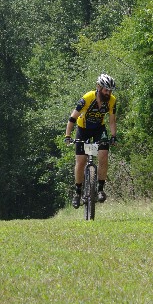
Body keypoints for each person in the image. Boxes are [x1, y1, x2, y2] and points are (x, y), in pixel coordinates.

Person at [64, 74, 117, 208]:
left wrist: (113, 136)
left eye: (110, 90)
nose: (108, 93)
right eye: (106, 90)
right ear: (98, 87)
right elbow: (72, 118)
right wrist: (67, 135)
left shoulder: (112, 100)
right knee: (81, 161)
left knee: (104, 155)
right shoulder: (87, 98)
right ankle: (77, 193)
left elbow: (112, 120)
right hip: (83, 129)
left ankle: (100, 189)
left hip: (99, 129)